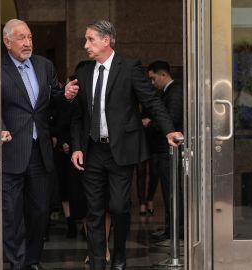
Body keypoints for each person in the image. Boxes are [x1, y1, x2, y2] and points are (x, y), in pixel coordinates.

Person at [65, 20, 183, 270]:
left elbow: (151, 101)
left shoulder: (129, 68)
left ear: (106, 40)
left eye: (90, 39)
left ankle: (119, 257)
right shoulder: (84, 72)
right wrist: (76, 146)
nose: (86, 45)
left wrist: (169, 130)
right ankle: (98, 261)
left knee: (118, 206)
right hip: (92, 150)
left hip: (121, 150)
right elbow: (78, 116)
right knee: (94, 210)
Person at [0, 19, 70, 270]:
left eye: (29, 37)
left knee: (40, 211)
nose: (27, 42)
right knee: (12, 213)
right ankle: (17, 261)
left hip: (40, 150)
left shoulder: (44, 65)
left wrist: (67, 94)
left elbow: (55, 97)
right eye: (21, 38)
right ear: (7, 42)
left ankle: (32, 259)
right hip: (12, 150)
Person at [145, 60, 184, 242]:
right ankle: (171, 229)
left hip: (168, 150)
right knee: (170, 191)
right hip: (163, 151)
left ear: (163, 75)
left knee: (172, 192)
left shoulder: (174, 91)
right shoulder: (168, 92)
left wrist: (150, 123)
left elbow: (172, 118)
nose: (153, 83)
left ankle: (175, 231)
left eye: (153, 79)